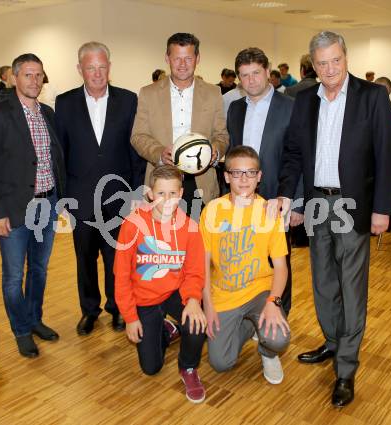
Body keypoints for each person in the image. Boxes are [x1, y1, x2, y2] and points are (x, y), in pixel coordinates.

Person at [274, 31, 391, 407]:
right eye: (322, 63)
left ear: (346, 57)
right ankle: (331, 341)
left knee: (352, 285)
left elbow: (386, 156)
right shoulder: (304, 99)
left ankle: (346, 367)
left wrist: (381, 209)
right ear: (313, 63)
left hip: (353, 203)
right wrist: (290, 198)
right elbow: (294, 152)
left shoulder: (372, 97)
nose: (330, 69)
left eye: (335, 60)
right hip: (316, 203)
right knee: (324, 280)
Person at [55, 42, 146, 336]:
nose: (97, 73)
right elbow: (61, 153)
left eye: (102, 67)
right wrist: (64, 198)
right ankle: (89, 310)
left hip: (118, 197)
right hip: (80, 198)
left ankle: (119, 308)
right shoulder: (65, 103)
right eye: (90, 67)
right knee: (84, 259)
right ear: (80, 69)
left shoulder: (129, 100)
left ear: (109, 67)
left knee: (117, 259)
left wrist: (136, 192)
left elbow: (135, 151)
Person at [0, 53, 66, 358]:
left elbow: (57, 160)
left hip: (48, 204)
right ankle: (21, 330)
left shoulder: (48, 113)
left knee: (39, 269)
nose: (34, 81)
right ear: (14, 77)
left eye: (39, 75)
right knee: (14, 275)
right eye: (28, 75)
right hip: (14, 209)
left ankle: (35, 319)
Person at [115, 164, 207, 403]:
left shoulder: (190, 228)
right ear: (149, 194)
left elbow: (195, 272)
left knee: (197, 324)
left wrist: (194, 300)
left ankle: (188, 368)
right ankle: (165, 331)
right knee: (151, 368)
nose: (167, 200)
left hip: (174, 292)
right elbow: (122, 276)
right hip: (143, 299)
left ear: (181, 193)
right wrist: (130, 317)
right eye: (161, 194)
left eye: (173, 194)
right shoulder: (132, 225)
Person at [200, 146, 290, 384]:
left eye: (250, 173)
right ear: (226, 176)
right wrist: (207, 305)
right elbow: (203, 265)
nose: (243, 179)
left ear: (259, 177)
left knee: (278, 338)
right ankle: (251, 328)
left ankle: (267, 352)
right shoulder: (211, 211)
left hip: (258, 291)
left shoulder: (269, 212)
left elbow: (281, 266)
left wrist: (273, 301)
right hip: (224, 294)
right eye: (237, 173)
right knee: (221, 363)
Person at [227, 47, 303, 316]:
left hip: (278, 197)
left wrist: (298, 203)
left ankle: (279, 318)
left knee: (278, 260)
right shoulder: (235, 109)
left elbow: (299, 157)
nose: (251, 81)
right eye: (244, 75)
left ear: (268, 71)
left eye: (256, 73)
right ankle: (249, 316)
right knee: (245, 257)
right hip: (241, 199)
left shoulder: (291, 107)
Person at [131, 33, 229, 217]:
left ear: (197, 59)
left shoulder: (213, 93)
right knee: (162, 244)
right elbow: (138, 135)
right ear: (167, 58)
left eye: (188, 58)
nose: (182, 64)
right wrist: (159, 152)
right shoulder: (148, 93)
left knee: (200, 243)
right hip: (161, 181)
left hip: (201, 183)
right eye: (177, 58)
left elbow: (222, 135)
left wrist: (214, 151)